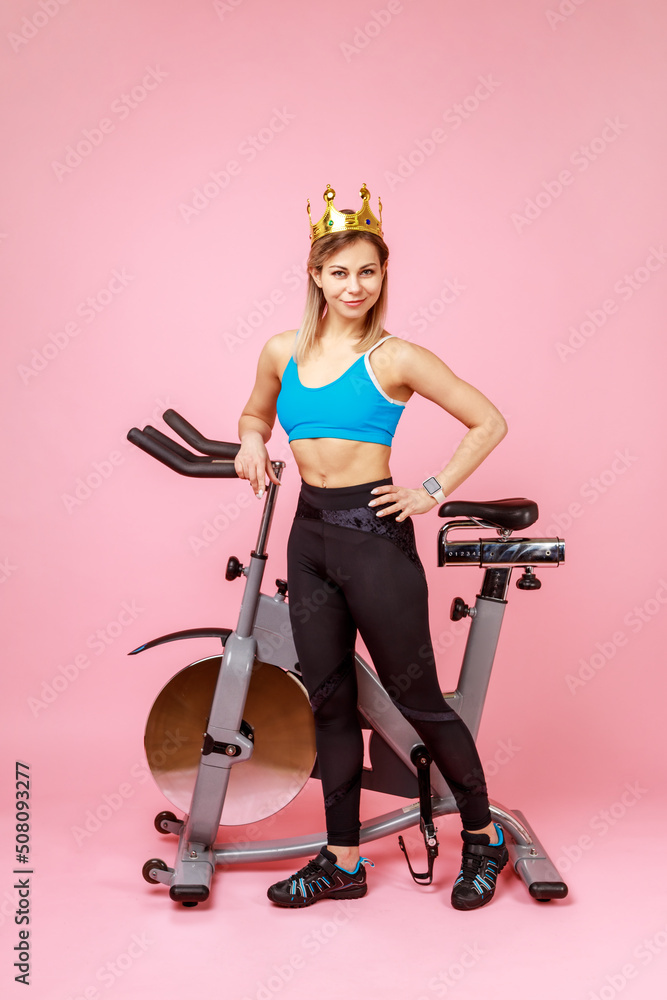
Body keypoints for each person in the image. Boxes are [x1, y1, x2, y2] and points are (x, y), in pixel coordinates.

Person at [235, 183, 509, 911]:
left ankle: (483, 837)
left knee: (418, 703)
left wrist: (431, 487)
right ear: (316, 276)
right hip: (310, 533)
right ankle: (342, 861)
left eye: (368, 271)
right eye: (339, 272)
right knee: (327, 706)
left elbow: (487, 420)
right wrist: (251, 440)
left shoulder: (396, 358)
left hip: (374, 534)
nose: (354, 286)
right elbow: (255, 411)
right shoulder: (280, 350)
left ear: (382, 277)